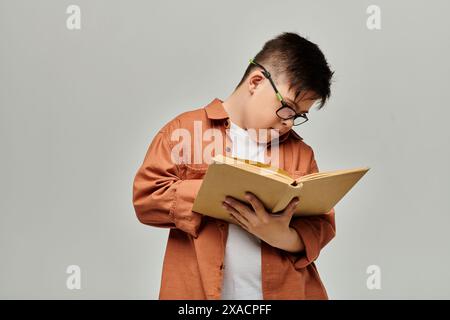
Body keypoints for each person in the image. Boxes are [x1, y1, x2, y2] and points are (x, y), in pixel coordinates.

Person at [132, 32, 336, 300]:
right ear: (256, 82)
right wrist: (215, 191)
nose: (288, 122)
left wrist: (280, 236)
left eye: (299, 116)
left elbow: (322, 225)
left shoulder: (300, 152)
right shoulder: (184, 131)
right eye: (287, 108)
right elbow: (146, 198)